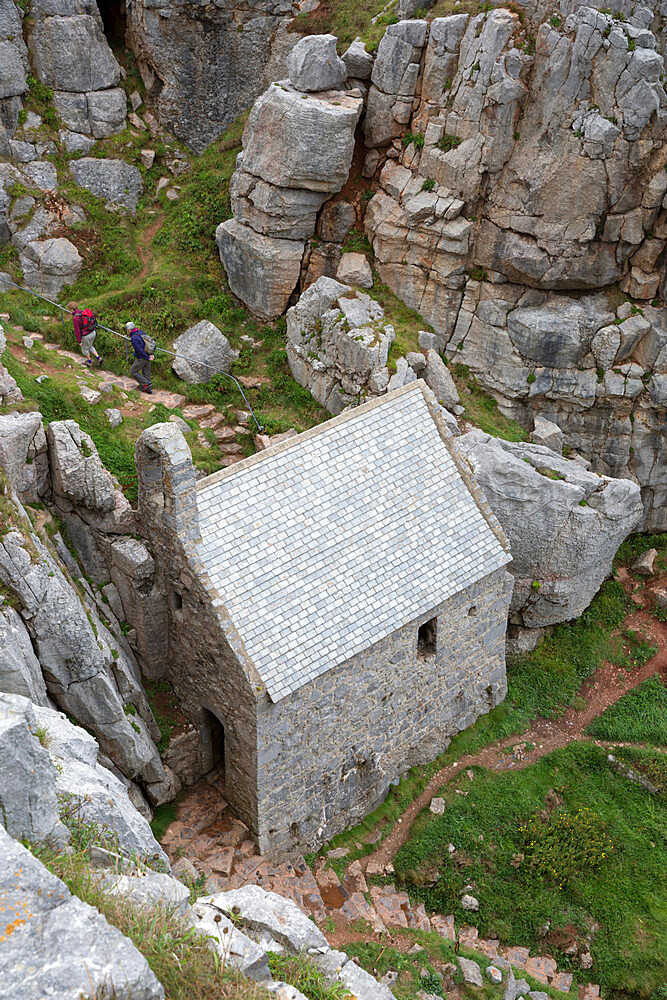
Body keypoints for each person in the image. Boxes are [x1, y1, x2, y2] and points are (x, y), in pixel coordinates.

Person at [68, 301, 102, 367]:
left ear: (71, 309)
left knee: (85, 349)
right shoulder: (82, 312)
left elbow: (77, 331)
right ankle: (98, 358)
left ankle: (89, 362)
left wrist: (79, 341)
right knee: (89, 346)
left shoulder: (75, 318)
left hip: (86, 335)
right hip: (93, 332)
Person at [126, 321, 154, 394]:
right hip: (148, 354)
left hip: (143, 357)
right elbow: (149, 343)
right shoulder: (141, 332)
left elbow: (139, 350)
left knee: (133, 370)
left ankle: (145, 384)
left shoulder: (134, 338)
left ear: (129, 330)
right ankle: (148, 389)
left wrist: (146, 357)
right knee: (146, 372)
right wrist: (150, 354)